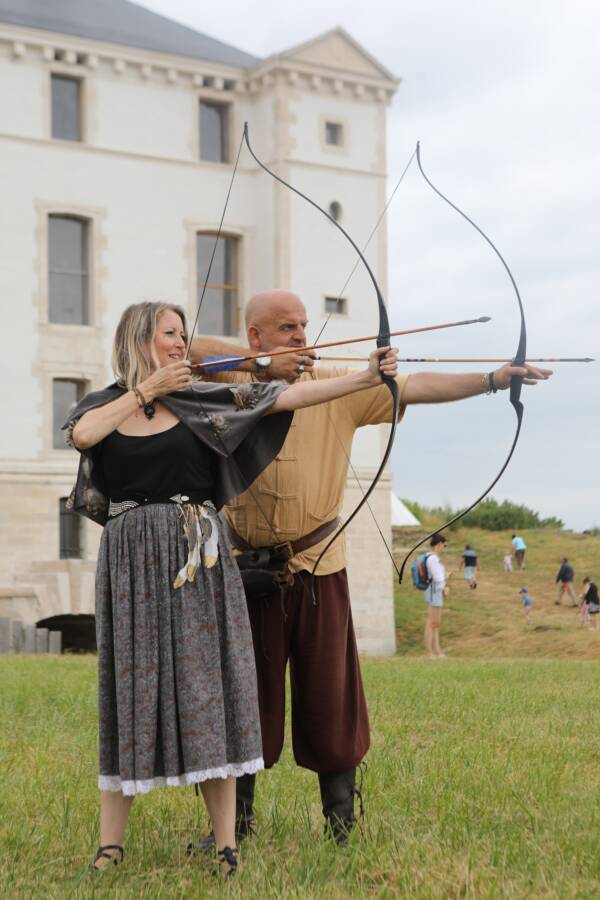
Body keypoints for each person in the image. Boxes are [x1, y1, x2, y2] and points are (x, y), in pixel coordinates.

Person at [189, 289, 552, 846]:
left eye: (304, 326)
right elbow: (178, 349)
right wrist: (259, 365)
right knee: (243, 699)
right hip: (246, 569)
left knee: (331, 698)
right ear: (255, 335)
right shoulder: (223, 387)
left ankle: (341, 823)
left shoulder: (337, 383)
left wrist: (492, 380)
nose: (301, 338)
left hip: (319, 567)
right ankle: (234, 825)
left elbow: (414, 387)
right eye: (286, 328)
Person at [64, 301, 399, 874]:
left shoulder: (202, 402)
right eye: (171, 335)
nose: (181, 344)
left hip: (198, 560)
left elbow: (281, 397)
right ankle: (110, 844)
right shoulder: (104, 404)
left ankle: (226, 843)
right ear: (142, 339)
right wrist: (146, 390)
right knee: (130, 696)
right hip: (131, 570)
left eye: (183, 335)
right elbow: (83, 435)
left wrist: (368, 376)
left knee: (209, 693)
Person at [424, 533, 450, 657]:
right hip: (434, 591)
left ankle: (437, 651)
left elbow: (438, 577)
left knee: (435, 623)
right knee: (431, 622)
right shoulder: (432, 559)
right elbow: (437, 577)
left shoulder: (433, 558)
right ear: (439, 544)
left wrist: (444, 579)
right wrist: (445, 580)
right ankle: (430, 652)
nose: (443, 548)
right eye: (444, 546)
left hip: (435, 591)